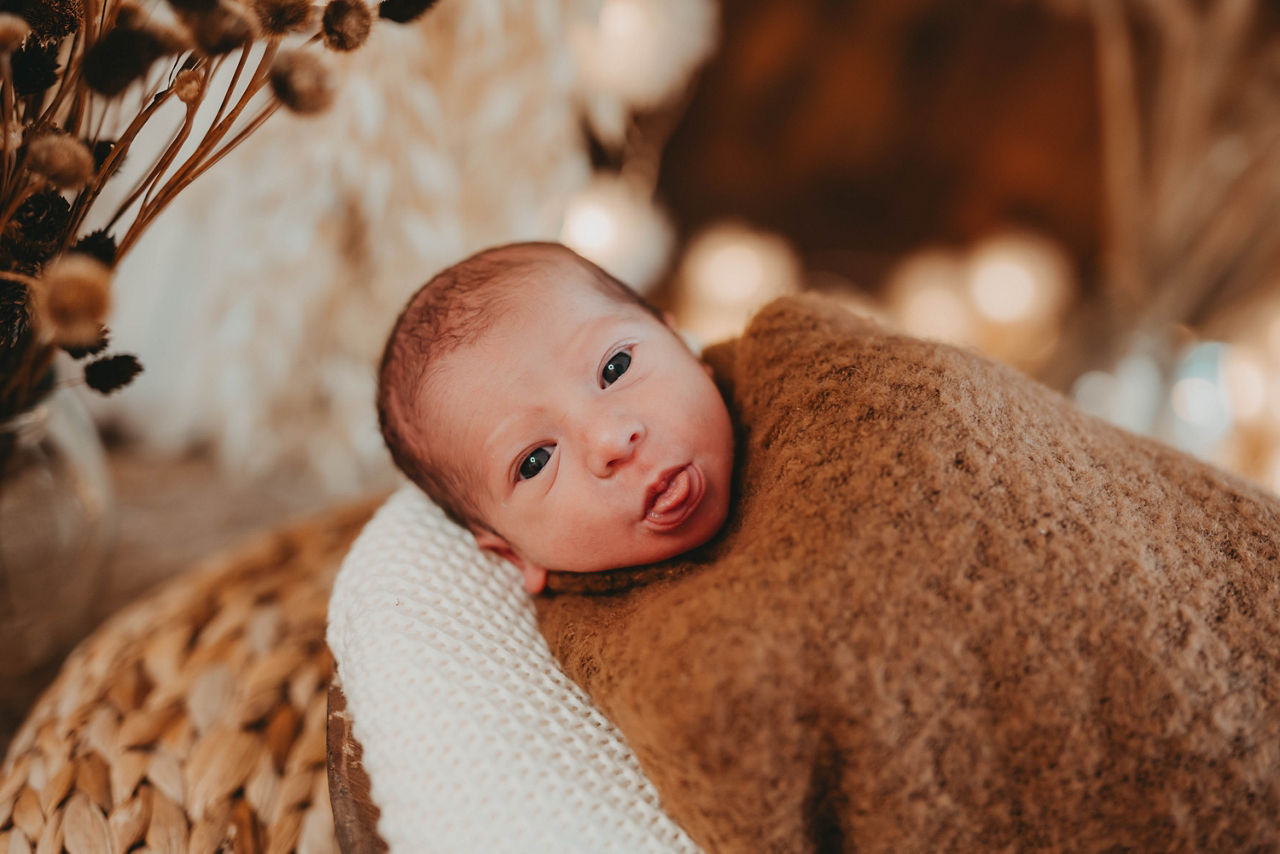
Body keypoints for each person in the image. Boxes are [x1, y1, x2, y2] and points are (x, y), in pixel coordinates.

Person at [377, 241, 736, 595]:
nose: (610, 441)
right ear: (513, 554)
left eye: (615, 368)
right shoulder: (539, 631)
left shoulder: (766, 373)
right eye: (536, 461)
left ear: (681, 343)